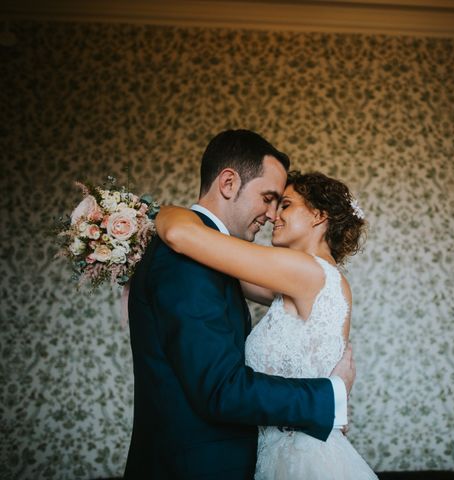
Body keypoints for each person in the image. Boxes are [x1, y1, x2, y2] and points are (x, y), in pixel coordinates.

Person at [124, 130, 356, 480]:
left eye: (283, 203)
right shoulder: (196, 261)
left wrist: (168, 216)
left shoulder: (304, 272)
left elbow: (185, 235)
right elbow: (188, 240)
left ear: (319, 216)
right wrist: (329, 398)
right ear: (228, 183)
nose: (272, 214)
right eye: (268, 198)